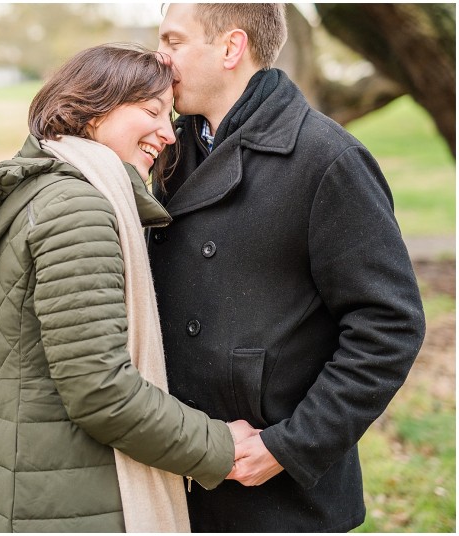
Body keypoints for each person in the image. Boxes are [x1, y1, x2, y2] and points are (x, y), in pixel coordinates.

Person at [0, 43, 253, 533]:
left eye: (169, 116)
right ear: (90, 108)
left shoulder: (33, 191)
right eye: (151, 111)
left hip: (26, 489)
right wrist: (222, 447)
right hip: (74, 503)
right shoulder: (78, 209)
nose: (169, 134)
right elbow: (101, 391)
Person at [149, 3, 427, 532]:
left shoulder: (328, 159)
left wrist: (289, 445)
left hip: (277, 497)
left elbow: (389, 327)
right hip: (177, 477)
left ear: (231, 48)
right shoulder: (165, 149)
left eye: (174, 41)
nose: (159, 60)